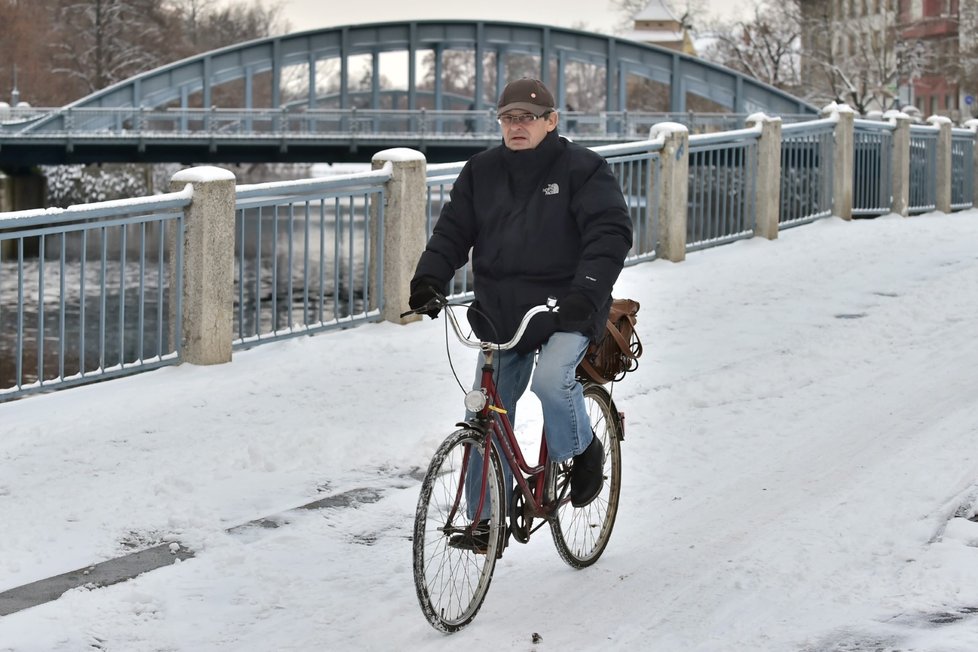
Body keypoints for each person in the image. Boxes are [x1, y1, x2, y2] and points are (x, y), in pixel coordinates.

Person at [408, 78, 632, 550]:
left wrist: (586, 291)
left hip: (568, 304)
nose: (517, 125)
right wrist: (429, 279)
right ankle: (484, 521)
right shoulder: (482, 172)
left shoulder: (583, 169)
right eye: (509, 118)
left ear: (551, 122)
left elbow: (609, 233)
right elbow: (453, 232)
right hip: (502, 310)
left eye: (528, 117)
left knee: (551, 380)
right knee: (484, 412)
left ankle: (584, 450)